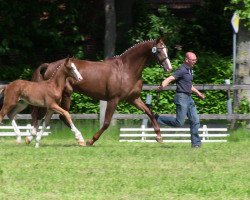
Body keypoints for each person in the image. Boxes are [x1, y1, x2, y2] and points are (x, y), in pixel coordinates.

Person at [156, 52, 205, 148]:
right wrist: (162, 85)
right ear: (187, 60)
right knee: (179, 123)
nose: (195, 61)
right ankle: (156, 119)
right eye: (193, 60)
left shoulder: (190, 70)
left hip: (189, 98)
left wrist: (198, 93)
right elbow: (170, 78)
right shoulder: (182, 69)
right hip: (181, 97)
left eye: (195, 59)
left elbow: (189, 85)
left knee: (195, 121)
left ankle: (196, 144)